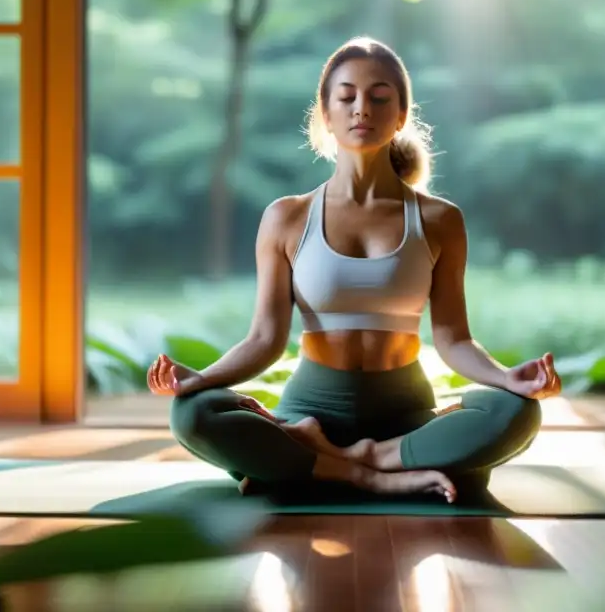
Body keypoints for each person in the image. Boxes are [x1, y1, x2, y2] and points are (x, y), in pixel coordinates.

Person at [146, 37, 562, 503]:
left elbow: (454, 339)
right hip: (310, 413)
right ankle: (373, 475)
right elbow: (264, 338)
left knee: (517, 413)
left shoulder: (441, 221)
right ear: (326, 114)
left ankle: (329, 463)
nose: (361, 108)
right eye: (346, 97)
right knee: (193, 414)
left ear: (402, 115)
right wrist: (201, 380)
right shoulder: (287, 218)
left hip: (404, 416)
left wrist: (508, 379)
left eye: (379, 97)